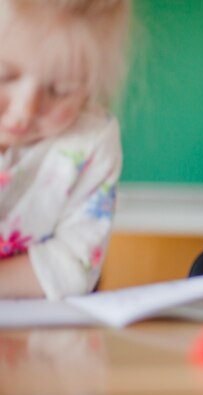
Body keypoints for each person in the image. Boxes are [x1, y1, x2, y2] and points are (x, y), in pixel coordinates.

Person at [0, 0, 131, 299]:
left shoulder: (90, 142)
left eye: (61, 89)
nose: (25, 110)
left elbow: (72, 267)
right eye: (3, 76)